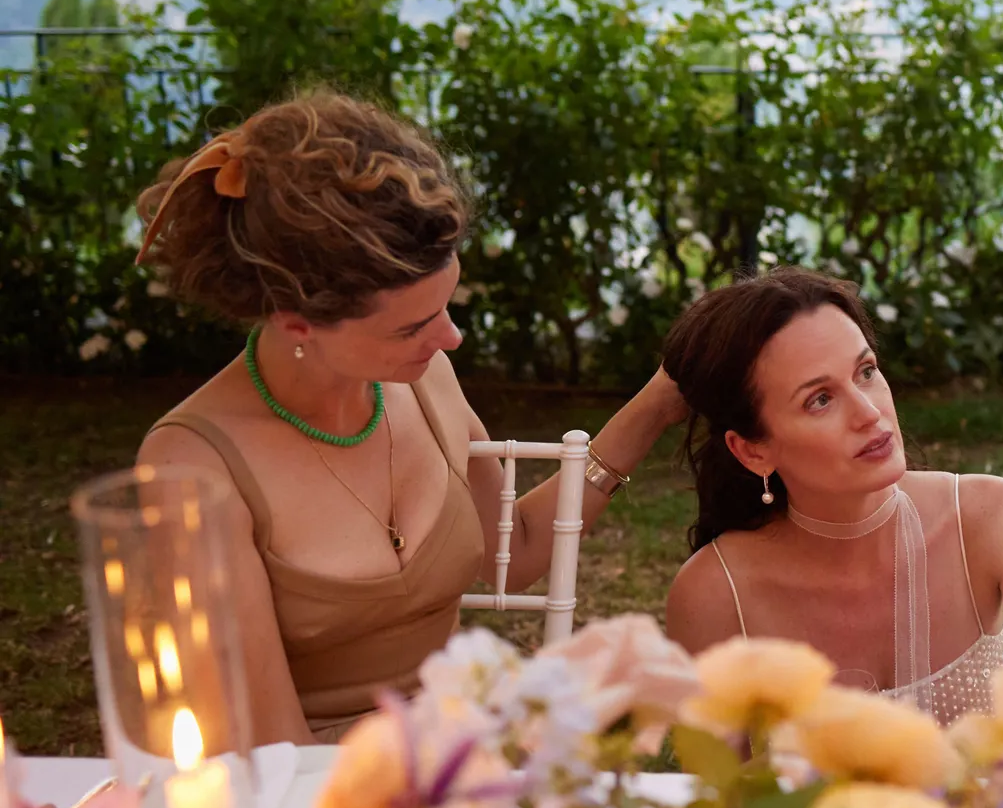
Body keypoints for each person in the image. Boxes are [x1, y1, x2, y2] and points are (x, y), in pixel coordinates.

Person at [134, 92, 687, 745]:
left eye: (446, 305)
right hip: (312, 795)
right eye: (413, 326)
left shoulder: (424, 384)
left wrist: (659, 400)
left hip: (455, 756)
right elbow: (262, 742)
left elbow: (517, 551)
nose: (451, 338)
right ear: (297, 324)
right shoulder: (193, 465)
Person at [661, 268, 1003, 734]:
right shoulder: (715, 594)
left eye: (866, 372)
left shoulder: (993, 518)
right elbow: (717, 796)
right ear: (752, 449)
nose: (870, 413)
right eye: (819, 399)